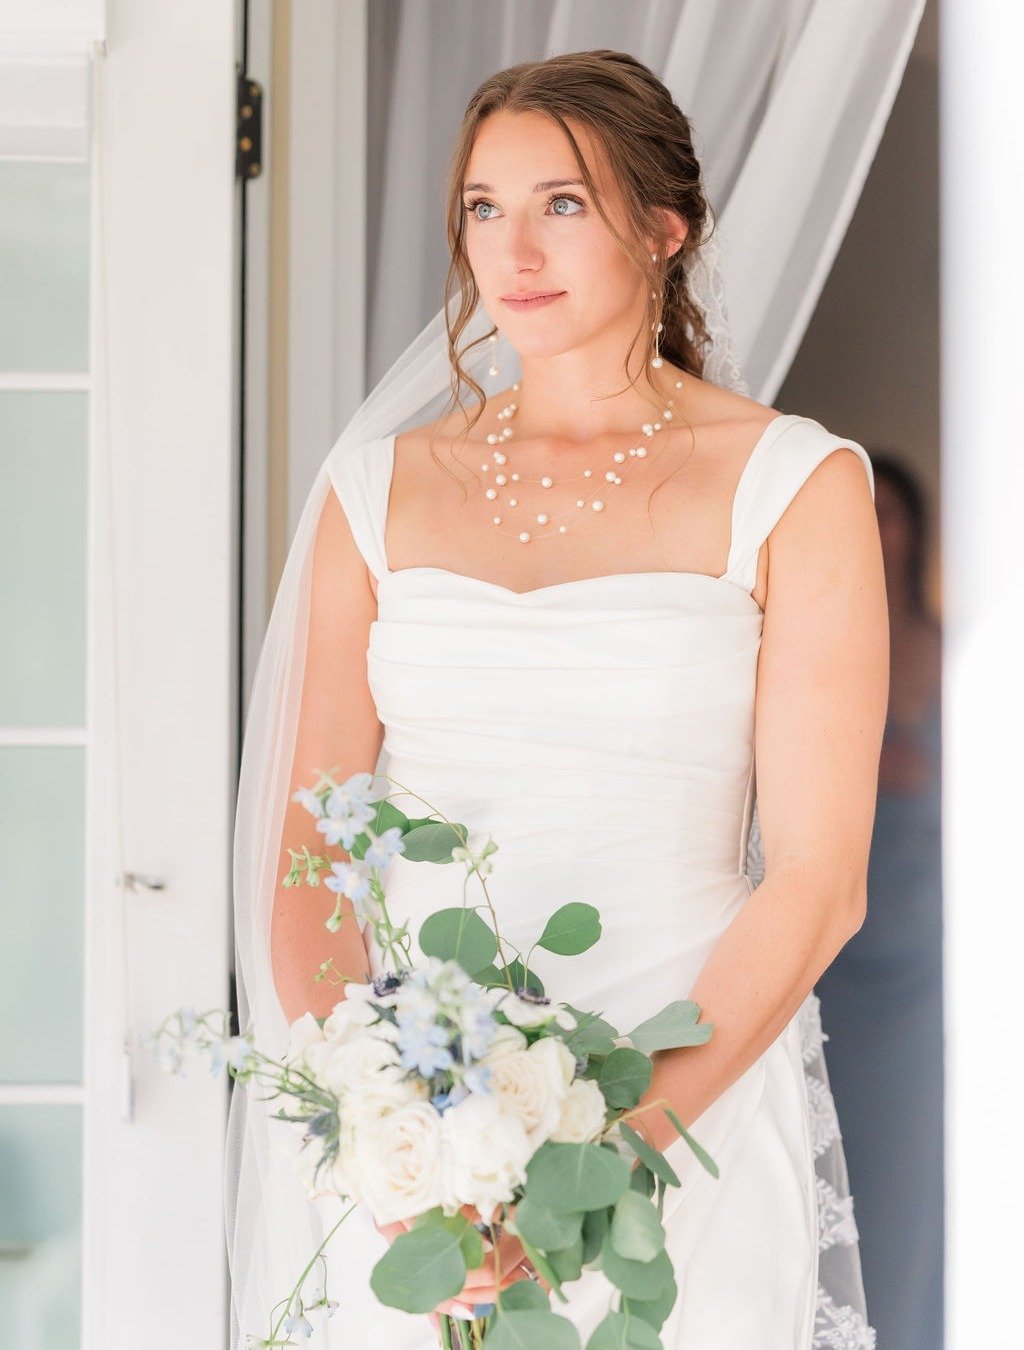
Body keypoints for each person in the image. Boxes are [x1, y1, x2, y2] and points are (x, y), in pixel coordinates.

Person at [227, 50, 888, 1350]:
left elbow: (819, 882)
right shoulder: (377, 491)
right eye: (483, 207)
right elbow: (311, 841)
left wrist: (613, 1160)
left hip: (681, 1104)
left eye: (563, 203)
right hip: (422, 1136)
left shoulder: (797, 488)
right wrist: (377, 1127)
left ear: (664, 226)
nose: (512, 247)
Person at [816, 455, 944, 1350]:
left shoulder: (961, 650)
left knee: (922, 1168)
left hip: (933, 948)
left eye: (891, 511)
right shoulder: (810, 649)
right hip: (833, 954)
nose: (877, 526)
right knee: (839, 1163)